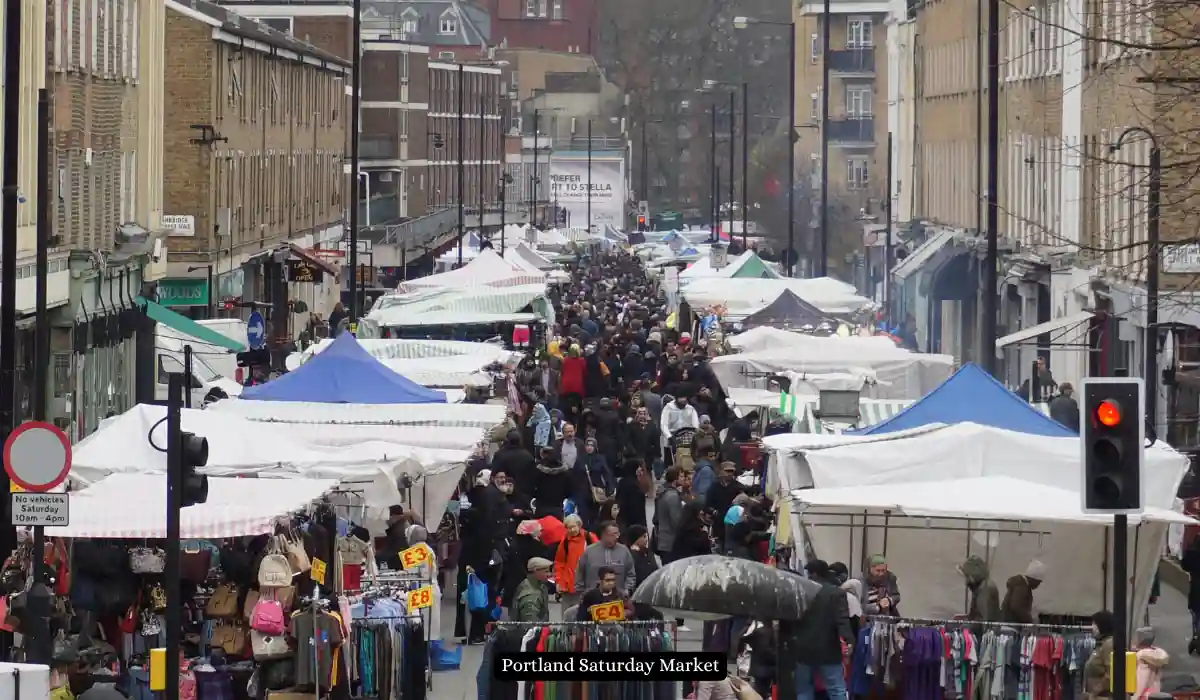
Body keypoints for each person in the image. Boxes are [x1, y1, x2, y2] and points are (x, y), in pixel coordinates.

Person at [792, 560, 853, 700]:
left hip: (803, 649)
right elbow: (842, 620)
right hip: (828, 649)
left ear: (814, 574)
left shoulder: (801, 592)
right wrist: (849, 641)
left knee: (803, 690)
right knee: (836, 689)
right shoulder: (836, 593)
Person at [574, 521, 637, 597]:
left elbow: (631, 574)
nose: (617, 537)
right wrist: (582, 595)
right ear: (604, 535)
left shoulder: (624, 551)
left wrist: (627, 591)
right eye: (613, 534)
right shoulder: (589, 552)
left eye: (618, 534)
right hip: (593, 599)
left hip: (618, 599)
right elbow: (579, 576)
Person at [554, 514, 596, 611]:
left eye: (573, 527)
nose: (572, 530)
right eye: (569, 528)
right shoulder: (565, 541)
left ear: (579, 525)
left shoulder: (589, 537)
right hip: (568, 585)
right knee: (567, 613)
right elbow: (559, 562)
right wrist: (559, 581)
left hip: (586, 584)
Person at [958, 555, 1001, 622]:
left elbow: (983, 620)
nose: (966, 581)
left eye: (967, 576)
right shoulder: (982, 586)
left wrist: (967, 625)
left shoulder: (985, 589)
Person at [1083, 610, 1115, 700]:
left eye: (1094, 624)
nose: (1092, 627)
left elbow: (1111, 673)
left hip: (1103, 696)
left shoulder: (1109, 644)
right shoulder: (1101, 644)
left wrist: (1094, 692)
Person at [1001, 559, 1045, 624]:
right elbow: (1017, 607)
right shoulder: (1021, 587)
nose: (1038, 585)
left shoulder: (1021, 585)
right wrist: (1030, 620)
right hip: (1012, 623)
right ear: (1033, 579)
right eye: (1038, 582)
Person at [513, 557, 553, 622]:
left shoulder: (531, 583)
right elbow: (530, 623)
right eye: (546, 572)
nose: (549, 574)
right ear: (536, 571)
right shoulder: (531, 597)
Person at [1134, 626, 1169, 698]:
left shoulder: (1141, 656)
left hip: (1142, 694)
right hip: (1155, 692)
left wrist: (1135, 697)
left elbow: (1142, 680)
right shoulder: (1157, 654)